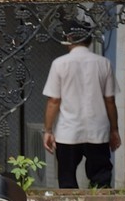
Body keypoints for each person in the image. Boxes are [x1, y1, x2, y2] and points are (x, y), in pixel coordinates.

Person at [42, 22, 120, 189]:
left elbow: (54, 101)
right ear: (90, 39)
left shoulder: (59, 64)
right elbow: (110, 101)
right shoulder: (103, 63)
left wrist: (48, 130)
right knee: (101, 179)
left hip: (68, 132)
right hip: (98, 131)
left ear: (69, 39)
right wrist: (114, 129)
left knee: (67, 180)